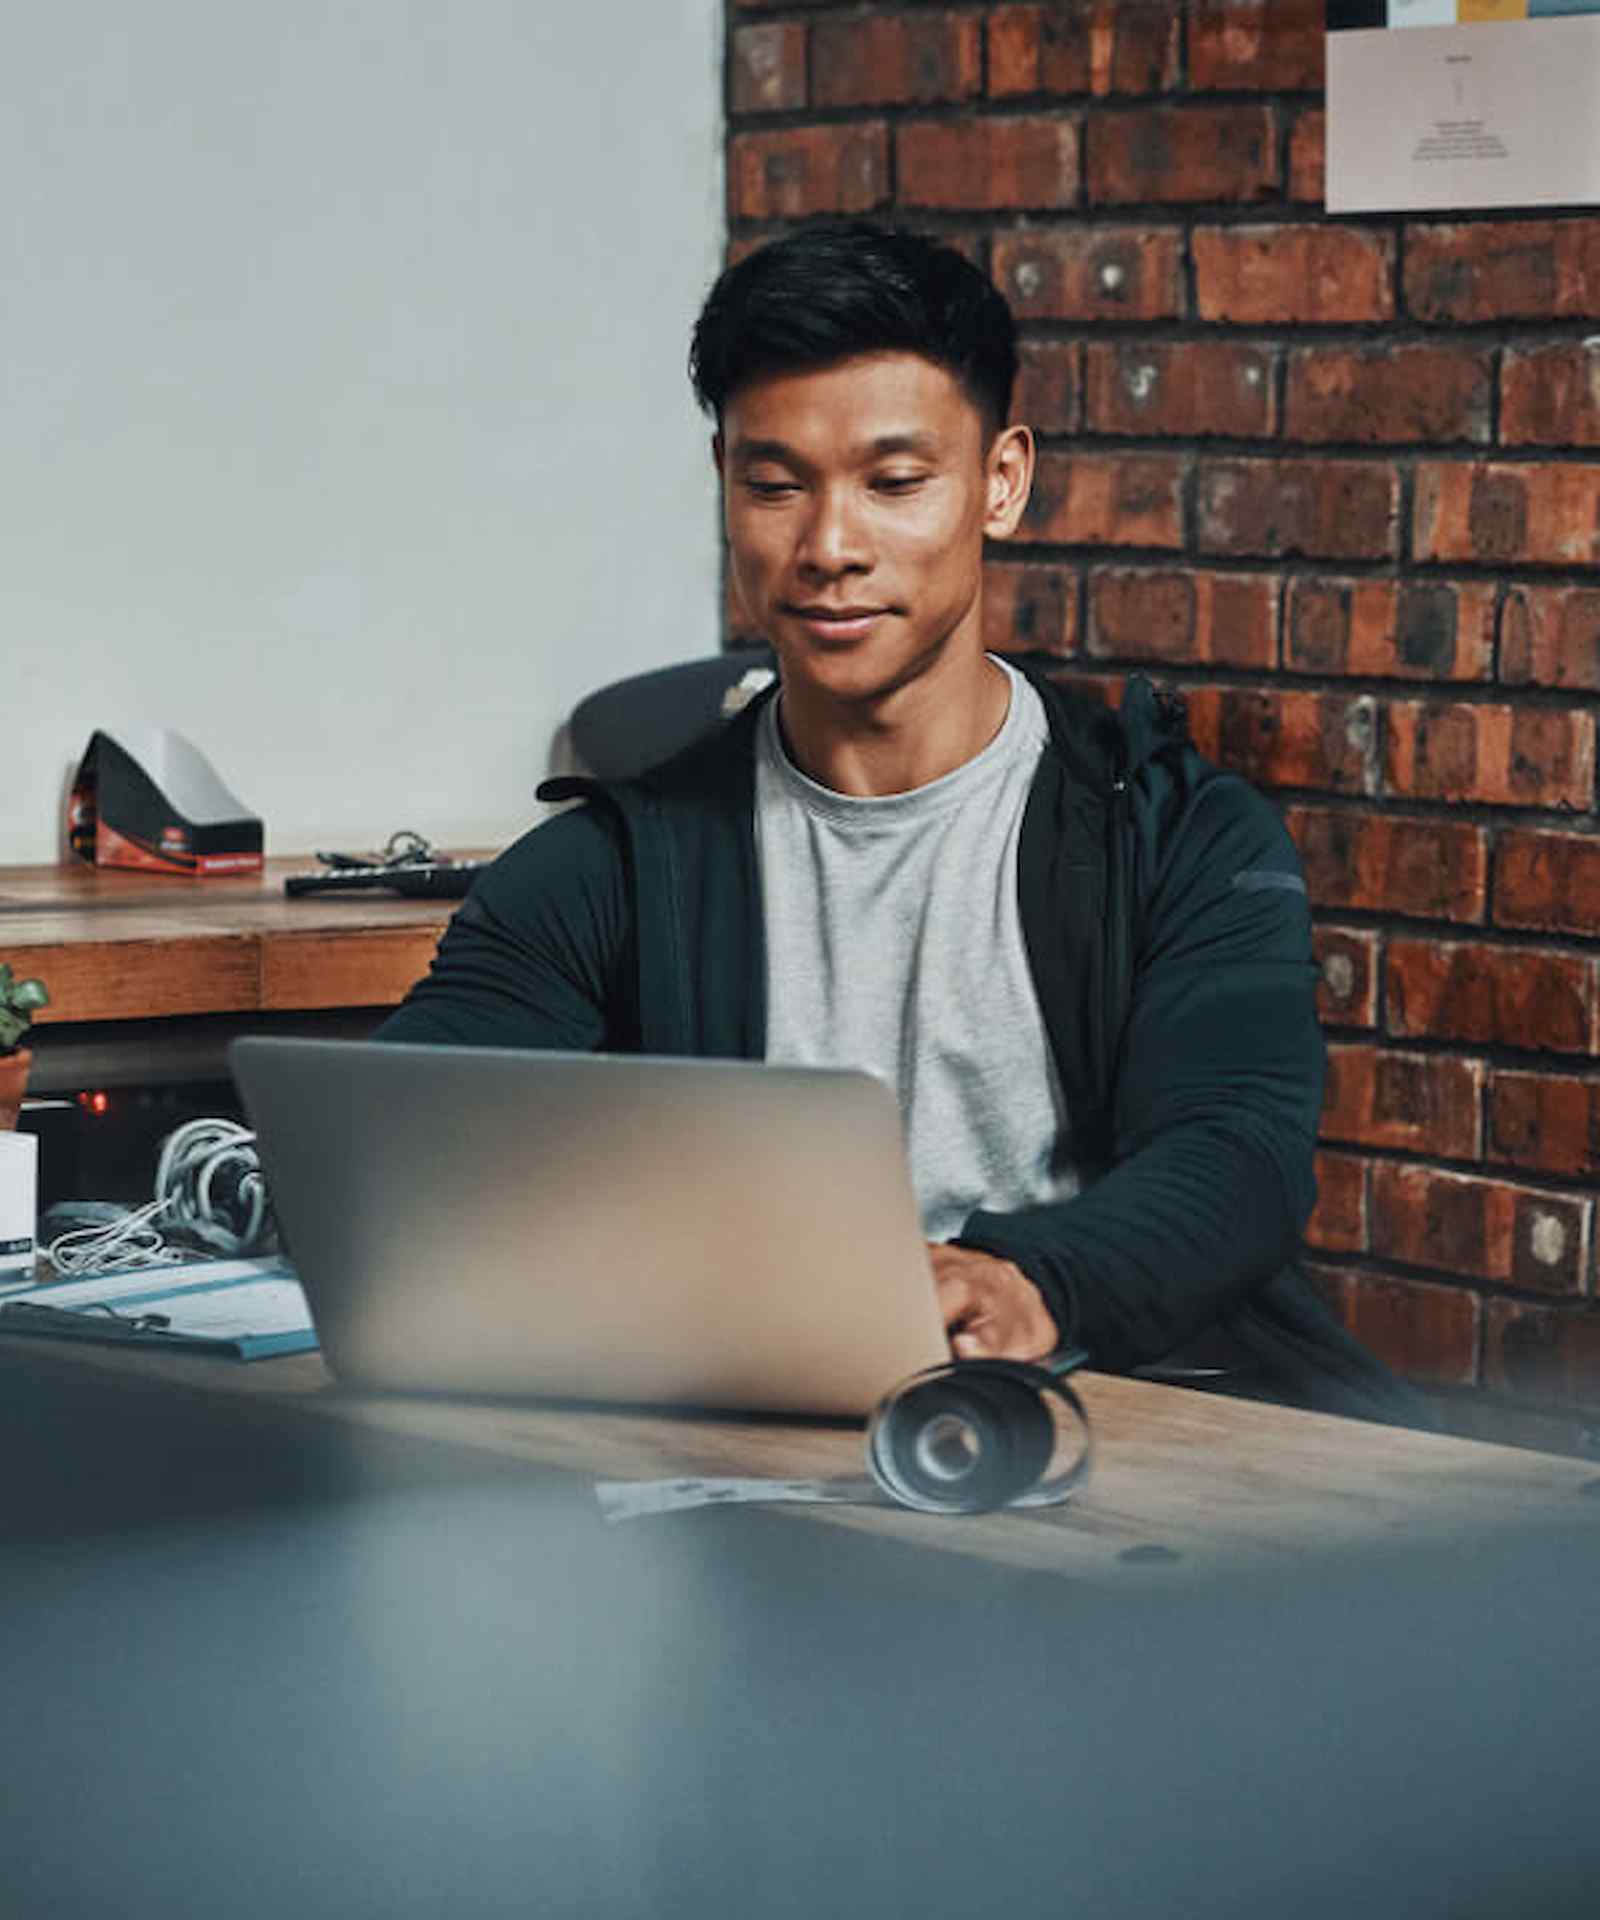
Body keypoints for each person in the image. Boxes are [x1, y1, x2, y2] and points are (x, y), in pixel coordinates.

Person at [380, 219, 1422, 1425]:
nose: (830, 547)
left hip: (1125, 1421)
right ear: (725, 481)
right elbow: (413, 1133)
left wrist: (1030, 1280)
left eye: (893, 483)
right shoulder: (613, 863)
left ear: (1002, 483)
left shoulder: (1175, 836)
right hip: (751, 1443)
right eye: (775, 487)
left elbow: (1234, 1158)